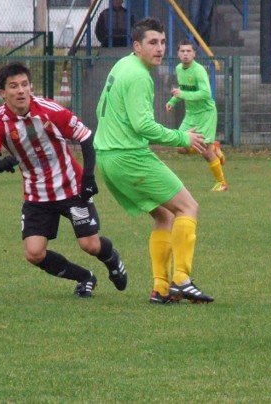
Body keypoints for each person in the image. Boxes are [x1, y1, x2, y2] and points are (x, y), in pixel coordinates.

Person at [94, 17, 214, 305]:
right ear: (137, 46)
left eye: (162, 42)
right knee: (188, 206)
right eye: (152, 42)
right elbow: (143, 126)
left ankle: (161, 288)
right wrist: (182, 138)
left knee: (165, 215)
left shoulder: (123, 65)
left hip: (108, 158)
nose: (160, 48)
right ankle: (182, 280)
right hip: (128, 156)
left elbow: (102, 107)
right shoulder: (138, 76)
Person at [0, 62, 127, 298]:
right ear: (2, 92)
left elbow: (86, 137)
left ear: (30, 86)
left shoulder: (50, 110)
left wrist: (88, 177)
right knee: (34, 253)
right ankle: (84, 277)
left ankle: (112, 260)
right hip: (37, 196)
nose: (20, 90)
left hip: (72, 190)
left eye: (24, 84)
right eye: (13, 86)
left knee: (89, 244)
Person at [166, 39, 227, 192]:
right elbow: (182, 89)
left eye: (189, 51)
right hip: (191, 114)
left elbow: (206, 93)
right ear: (178, 54)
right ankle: (214, 148)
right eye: (182, 51)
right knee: (180, 145)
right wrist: (173, 101)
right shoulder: (179, 69)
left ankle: (222, 183)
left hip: (205, 113)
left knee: (205, 151)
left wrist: (182, 94)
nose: (186, 54)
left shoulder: (198, 70)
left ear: (194, 54)